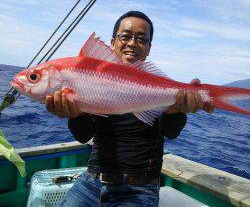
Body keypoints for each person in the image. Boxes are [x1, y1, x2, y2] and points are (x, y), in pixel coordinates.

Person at [45, 11, 214, 206]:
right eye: (125, 37)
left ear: (149, 48)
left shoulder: (160, 88)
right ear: (113, 42)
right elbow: (84, 136)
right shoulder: (92, 80)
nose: (132, 43)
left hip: (139, 190)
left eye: (142, 39)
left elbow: (171, 132)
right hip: (90, 182)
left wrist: (177, 110)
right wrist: (75, 115)